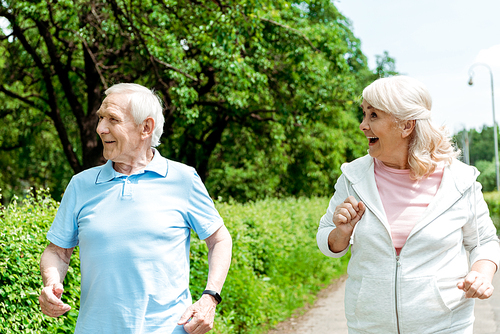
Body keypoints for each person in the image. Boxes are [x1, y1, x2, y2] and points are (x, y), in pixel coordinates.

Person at [38, 83, 232, 334]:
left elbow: (219, 239)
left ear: (146, 128)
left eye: (113, 119)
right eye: (100, 118)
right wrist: (51, 283)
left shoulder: (183, 179)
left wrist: (210, 297)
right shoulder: (81, 185)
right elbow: (57, 252)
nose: (100, 128)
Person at [317, 76, 500, 333]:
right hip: (369, 326)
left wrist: (481, 273)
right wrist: (341, 233)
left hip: (445, 326)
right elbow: (326, 239)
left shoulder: (460, 181)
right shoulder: (353, 178)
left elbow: (485, 243)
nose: (362, 125)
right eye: (364, 114)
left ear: (406, 126)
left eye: (373, 116)